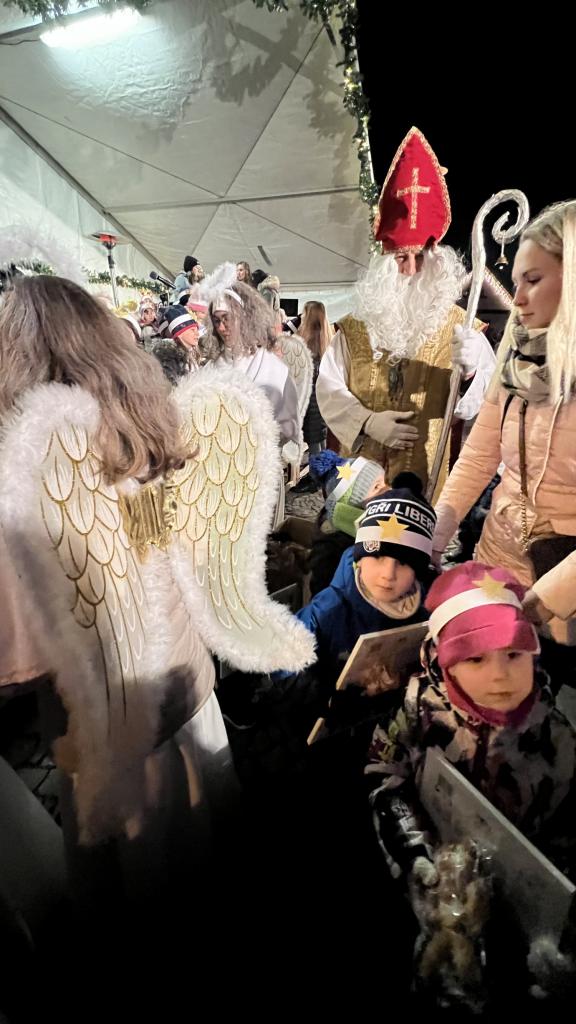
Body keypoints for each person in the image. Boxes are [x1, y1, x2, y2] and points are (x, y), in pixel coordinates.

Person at [0, 274, 315, 890]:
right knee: (209, 863)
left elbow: (21, 660)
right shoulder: (151, 430)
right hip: (189, 692)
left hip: (115, 741)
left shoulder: (29, 475)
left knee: (147, 902)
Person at [432, 201, 576, 677]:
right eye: (516, 281)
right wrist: (437, 533)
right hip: (498, 560)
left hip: (565, 594)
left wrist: (547, 598)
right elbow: (479, 455)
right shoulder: (517, 359)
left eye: (532, 280)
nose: (517, 299)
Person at [365, 562, 576, 886]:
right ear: (446, 664)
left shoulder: (557, 738)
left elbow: (565, 832)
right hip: (432, 868)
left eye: (515, 654)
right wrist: (412, 851)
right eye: (476, 658)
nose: (500, 674)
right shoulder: (418, 707)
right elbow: (385, 771)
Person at [316, 126, 496, 498]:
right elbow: (329, 389)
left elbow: (484, 408)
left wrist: (470, 373)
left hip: (425, 487)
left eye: (420, 258)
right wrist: (367, 421)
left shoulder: (463, 330)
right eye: (401, 258)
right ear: (385, 261)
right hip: (359, 484)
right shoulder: (353, 329)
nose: (411, 270)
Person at [296, 477, 435, 686]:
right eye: (377, 556)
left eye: (404, 562)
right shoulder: (326, 612)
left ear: (417, 571)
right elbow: (284, 672)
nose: (388, 574)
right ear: (359, 559)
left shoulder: (427, 610)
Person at [202, 263, 299, 445]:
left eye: (226, 318)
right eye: (216, 321)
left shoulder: (272, 367)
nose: (221, 328)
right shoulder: (210, 368)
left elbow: (288, 427)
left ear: (243, 318)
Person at [299, 300, 332, 455]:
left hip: (310, 407)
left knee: (315, 450)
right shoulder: (329, 345)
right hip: (324, 406)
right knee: (321, 446)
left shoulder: (304, 348)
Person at [152, 303, 201, 384]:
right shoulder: (169, 357)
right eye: (192, 330)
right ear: (179, 334)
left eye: (197, 330)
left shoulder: (191, 352)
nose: (197, 334)